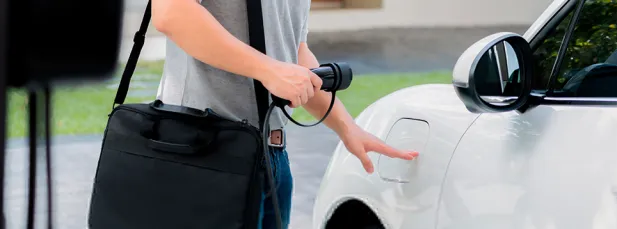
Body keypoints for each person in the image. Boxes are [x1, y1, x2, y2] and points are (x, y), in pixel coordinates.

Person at [149, 0, 420, 228]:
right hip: (201, 152)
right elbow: (172, 13)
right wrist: (268, 70)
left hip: (270, 157)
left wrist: (347, 126)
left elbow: (291, 51)